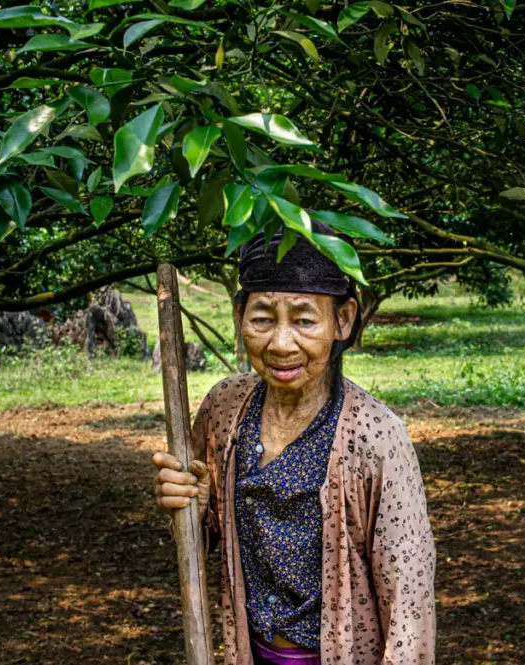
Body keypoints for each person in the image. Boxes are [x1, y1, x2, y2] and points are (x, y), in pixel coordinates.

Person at [152, 220, 437, 665]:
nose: (282, 344)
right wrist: (195, 502)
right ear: (241, 315)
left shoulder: (377, 438)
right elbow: (207, 538)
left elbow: (409, 602)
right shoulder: (225, 409)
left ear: (342, 320)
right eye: (263, 319)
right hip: (249, 651)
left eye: (304, 320)